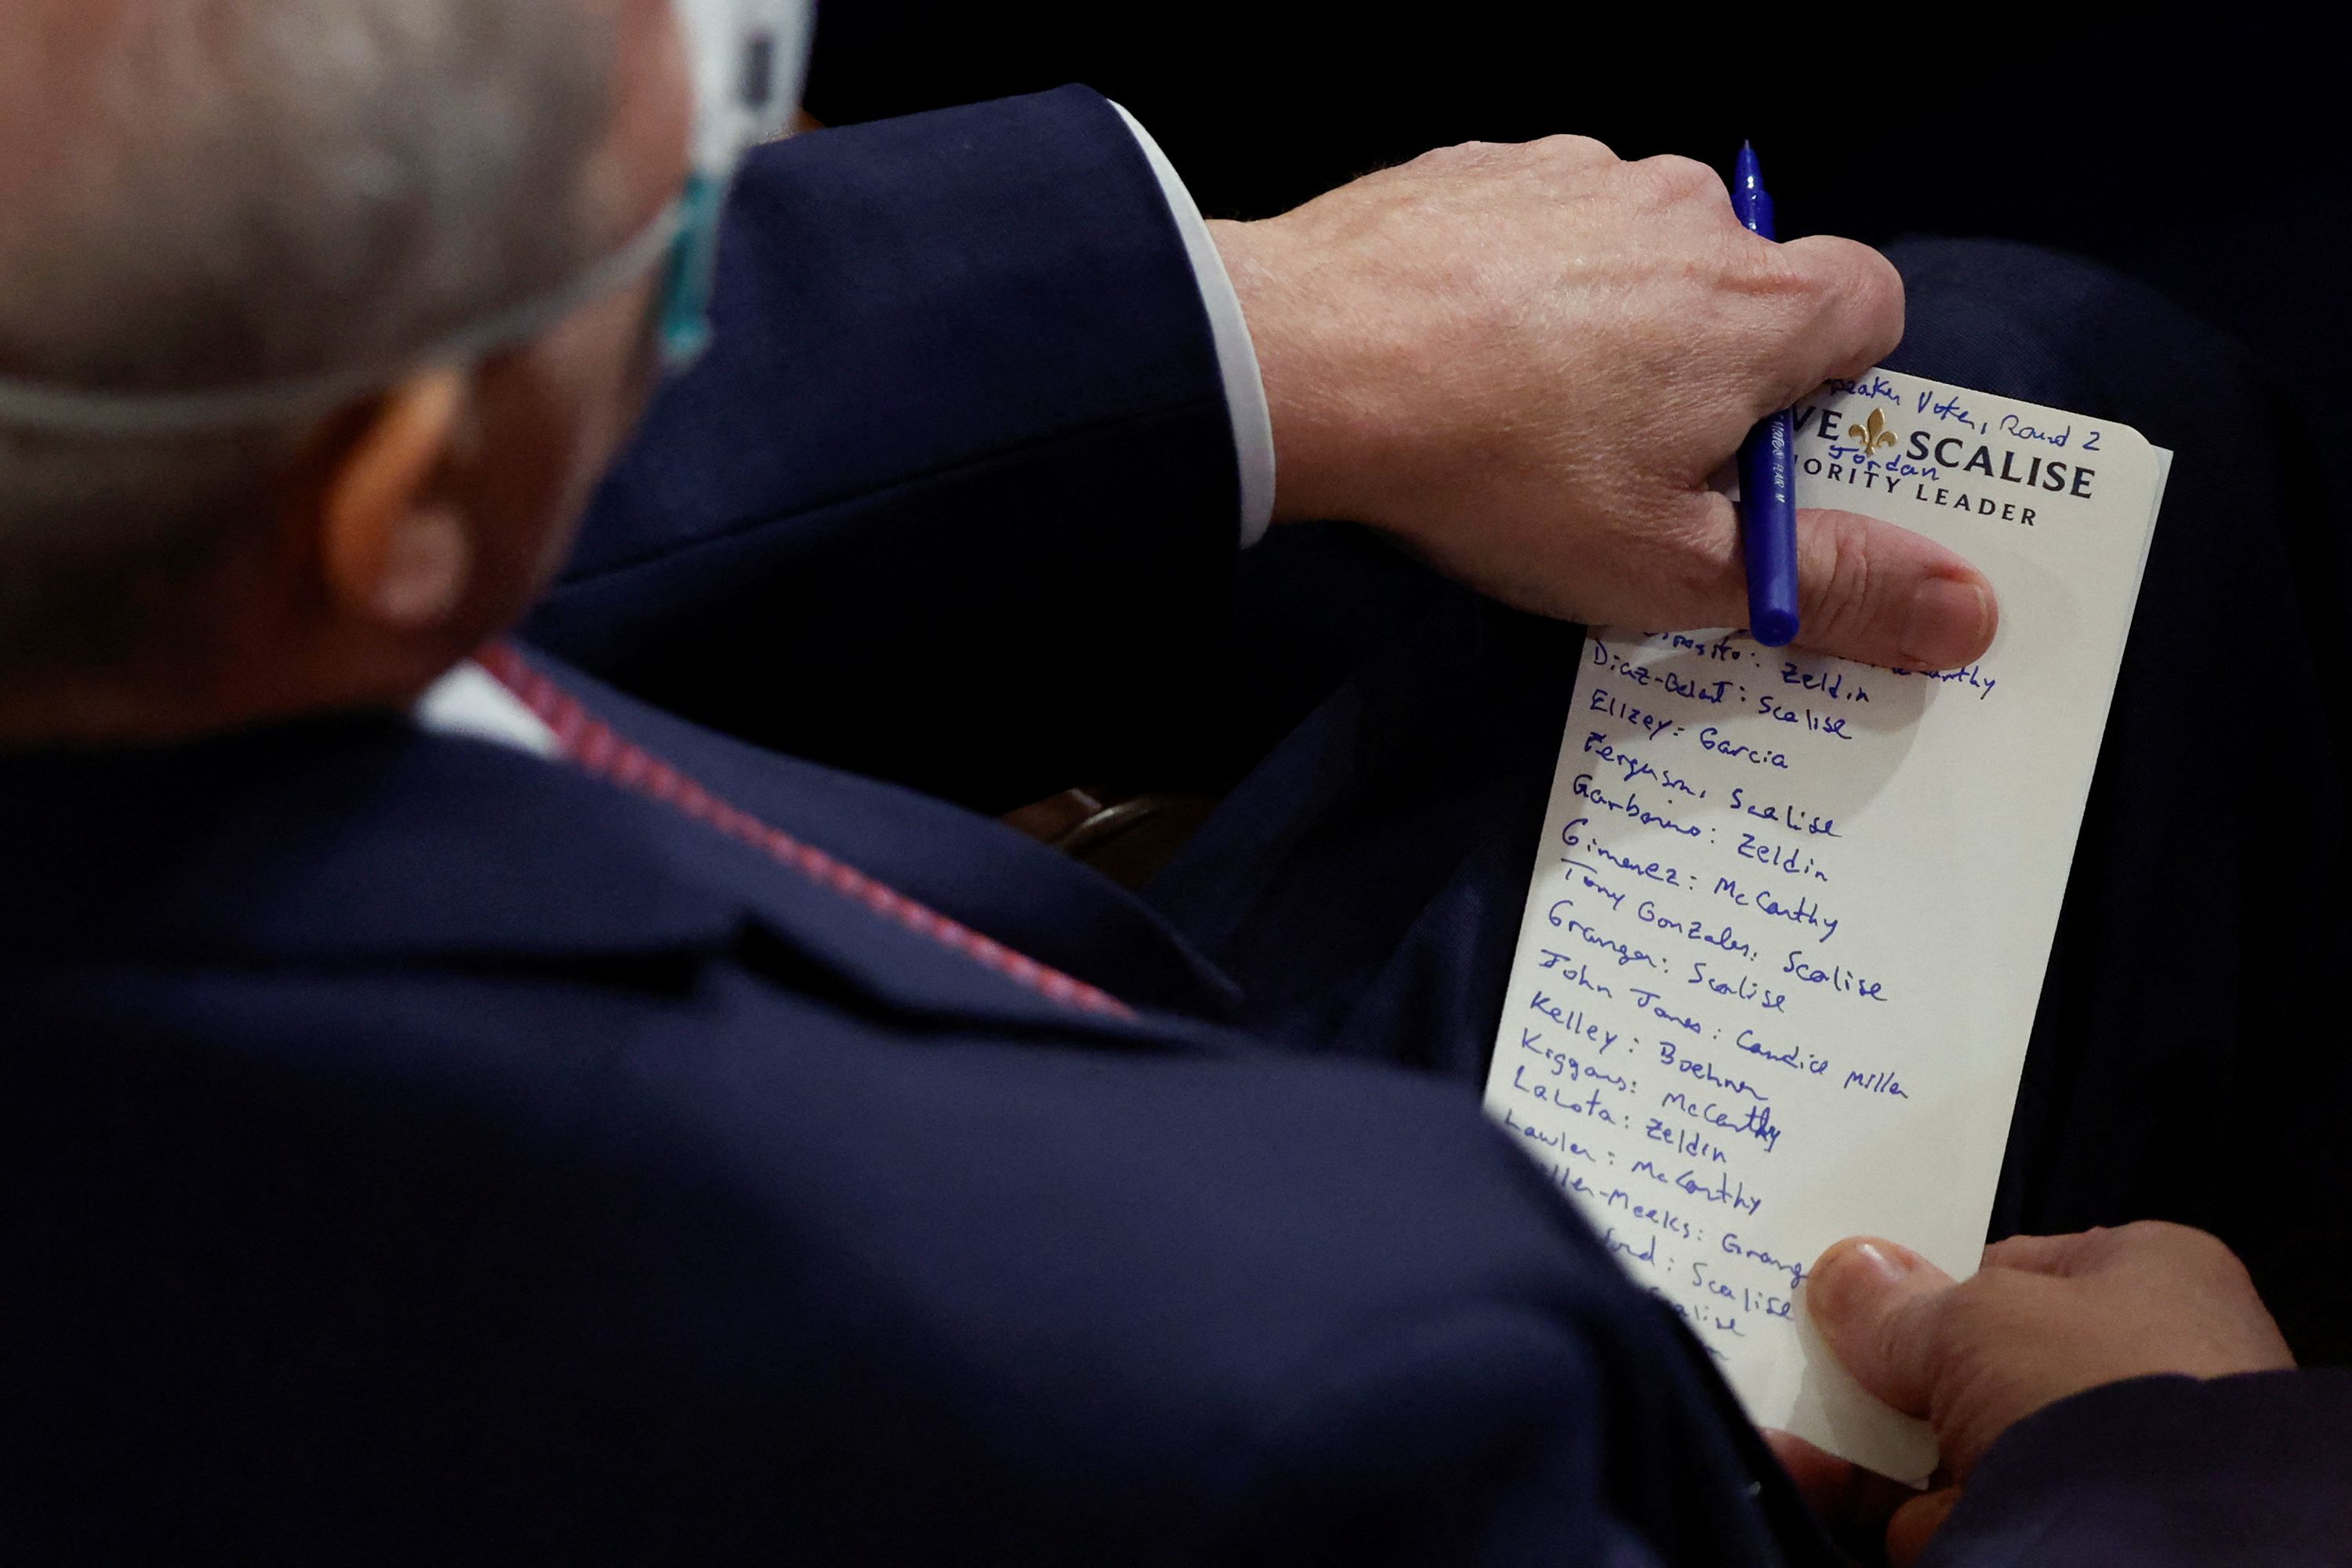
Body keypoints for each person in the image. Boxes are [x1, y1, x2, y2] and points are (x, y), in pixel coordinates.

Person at [0, 2, 2342, 1563]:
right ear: (402, 503)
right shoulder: (1331, 1362)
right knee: (2096, 417)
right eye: (708, 193)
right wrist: (2182, 1478)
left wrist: (1259, 337)